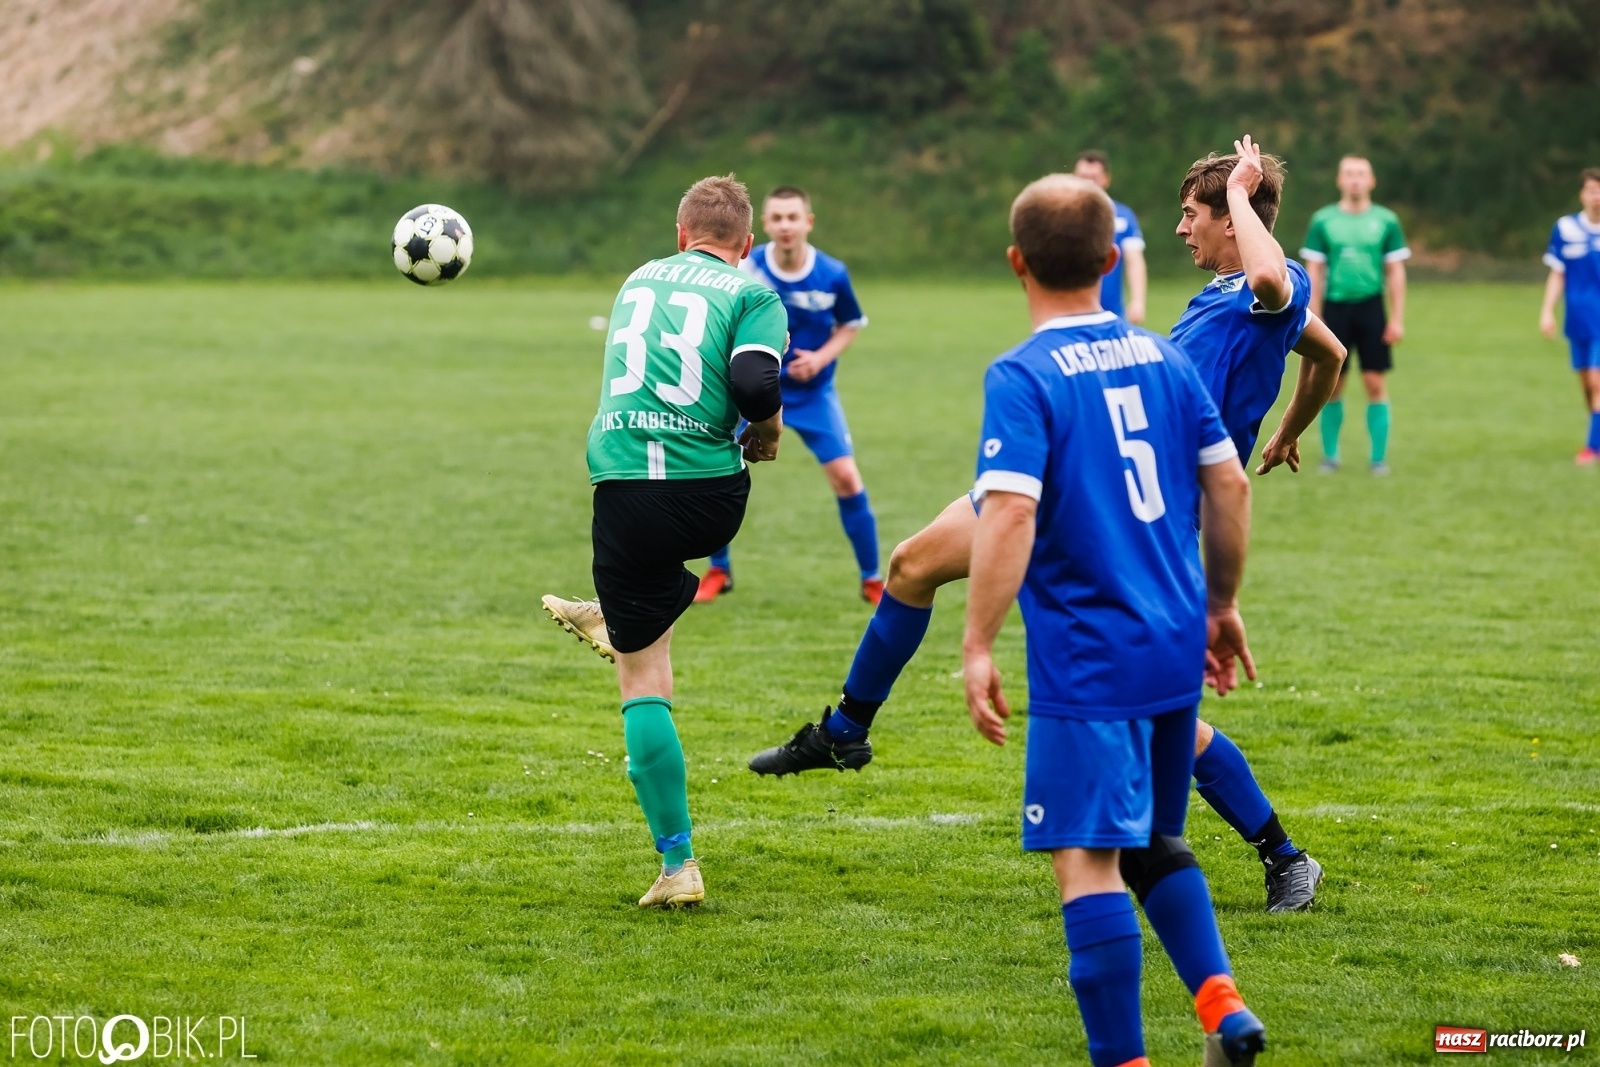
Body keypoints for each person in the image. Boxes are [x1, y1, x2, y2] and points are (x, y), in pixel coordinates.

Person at [746, 138, 1343, 913]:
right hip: (1067, 468)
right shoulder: (1234, 298)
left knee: (1156, 713)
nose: (1179, 228)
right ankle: (845, 731)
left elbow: (1276, 284)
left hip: (1130, 514)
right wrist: (1292, 425)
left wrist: (1242, 189)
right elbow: (1328, 356)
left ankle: (1284, 853)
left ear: (1233, 217)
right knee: (911, 565)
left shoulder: (1273, 282)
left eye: (1192, 213)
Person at [962, 172, 1265, 1067]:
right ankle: (1223, 1008)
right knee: (1154, 841)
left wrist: (977, 642)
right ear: (1109, 259)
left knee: (1086, 862)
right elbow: (1231, 484)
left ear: (1016, 262)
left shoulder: (1022, 375)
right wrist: (1221, 604)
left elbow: (1009, 513)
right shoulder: (1165, 357)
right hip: (1173, 644)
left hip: (1089, 663)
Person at [540, 174, 788, 909]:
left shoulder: (638, 279)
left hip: (623, 485)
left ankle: (678, 865)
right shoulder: (753, 293)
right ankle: (617, 618)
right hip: (711, 497)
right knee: (646, 616)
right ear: (745, 245)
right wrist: (768, 431)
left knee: (642, 679)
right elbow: (751, 377)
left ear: (680, 234)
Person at [694, 186, 882, 604]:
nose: (785, 226)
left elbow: (851, 323)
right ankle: (717, 570)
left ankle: (872, 579)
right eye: (776, 218)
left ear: (808, 223)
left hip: (814, 395)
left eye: (792, 217)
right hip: (751, 391)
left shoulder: (832, 273)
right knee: (715, 472)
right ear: (763, 224)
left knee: (847, 479)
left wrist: (821, 358)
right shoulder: (749, 266)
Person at [1301, 154, 1410, 475]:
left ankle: (1378, 460)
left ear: (1371, 180)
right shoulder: (1323, 220)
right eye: (1349, 173)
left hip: (1371, 308)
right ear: (1339, 180)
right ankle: (1330, 457)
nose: (1355, 179)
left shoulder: (1386, 220)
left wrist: (1397, 317)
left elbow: (1395, 271)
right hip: (1334, 310)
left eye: (1361, 174)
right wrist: (1314, 315)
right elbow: (1315, 270)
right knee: (1332, 383)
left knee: (1375, 382)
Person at [1538, 167, 1600, 465]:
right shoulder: (1565, 228)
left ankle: (1593, 448)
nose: (1597, 196)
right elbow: (1557, 274)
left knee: (1598, 381)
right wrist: (1547, 311)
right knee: (1587, 383)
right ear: (1582, 194)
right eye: (1591, 190)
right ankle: (1597, 430)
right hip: (1578, 317)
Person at [1074, 151, 1147, 325]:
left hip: (1112, 313)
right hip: (1071, 311)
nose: (1088, 183)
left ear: (1106, 179)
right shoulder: (1063, 215)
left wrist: (1138, 301)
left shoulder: (1122, 217)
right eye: (1083, 177)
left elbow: (1134, 260)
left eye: (1094, 177)